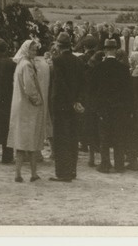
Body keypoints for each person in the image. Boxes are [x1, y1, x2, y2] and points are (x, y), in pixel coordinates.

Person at [91, 38, 133, 174]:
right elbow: (128, 92)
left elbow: (94, 90)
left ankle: (105, 164)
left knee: (104, 137)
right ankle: (119, 165)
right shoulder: (124, 69)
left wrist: (97, 108)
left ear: (104, 50)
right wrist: (128, 109)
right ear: (116, 50)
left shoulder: (98, 68)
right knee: (119, 137)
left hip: (104, 109)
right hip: (120, 109)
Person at [6, 39, 45, 182]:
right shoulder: (27, 65)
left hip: (20, 105)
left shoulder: (20, 64)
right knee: (31, 140)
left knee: (21, 141)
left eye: (35, 50)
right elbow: (29, 87)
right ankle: (33, 173)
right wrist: (38, 100)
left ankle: (18, 173)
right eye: (32, 50)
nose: (34, 52)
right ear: (26, 50)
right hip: (28, 108)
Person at [49, 32, 85, 182]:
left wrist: (70, 101)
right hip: (75, 105)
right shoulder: (78, 61)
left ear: (58, 46)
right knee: (72, 137)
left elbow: (60, 84)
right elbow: (82, 82)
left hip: (61, 104)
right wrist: (77, 101)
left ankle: (63, 173)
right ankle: (72, 170)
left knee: (61, 138)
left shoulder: (57, 61)